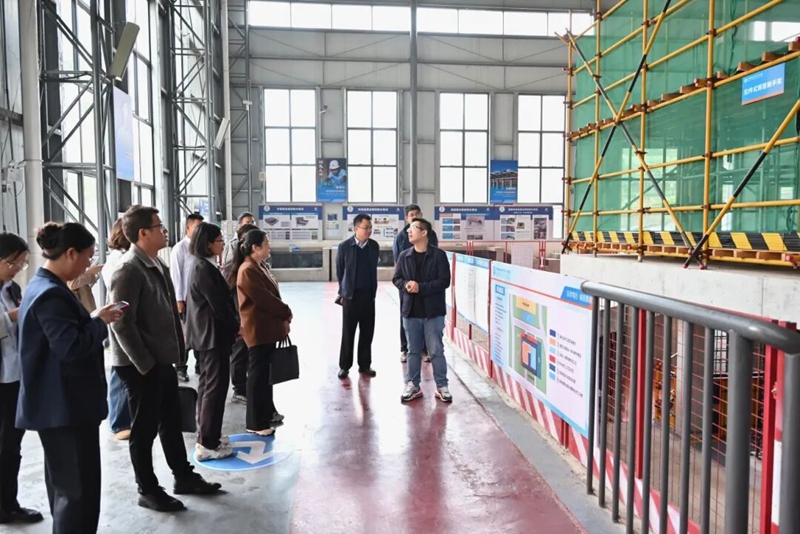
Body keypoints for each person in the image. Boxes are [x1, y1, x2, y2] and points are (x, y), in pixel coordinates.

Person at [110, 206, 220, 513]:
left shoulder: (155, 263)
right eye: (159, 226)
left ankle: (183, 476)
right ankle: (147, 489)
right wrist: (145, 364)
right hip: (139, 365)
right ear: (143, 233)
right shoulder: (128, 269)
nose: (165, 230)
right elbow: (121, 324)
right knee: (143, 430)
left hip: (161, 360)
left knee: (170, 422)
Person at [17, 222, 124, 532]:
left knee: (68, 488)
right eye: (87, 257)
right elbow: (71, 347)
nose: (88, 265)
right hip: (64, 408)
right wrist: (99, 324)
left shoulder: (44, 286)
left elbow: (62, 337)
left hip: (61, 407)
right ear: (71, 253)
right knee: (77, 494)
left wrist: (93, 318)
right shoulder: (50, 295)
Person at [185, 223, 238, 461]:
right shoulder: (203, 268)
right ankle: (208, 442)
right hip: (212, 337)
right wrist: (236, 326)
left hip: (207, 336)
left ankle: (208, 435)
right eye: (219, 240)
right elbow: (220, 305)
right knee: (215, 390)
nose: (223, 244)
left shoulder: (202, 265)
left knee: (208, 386)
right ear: (207, 244)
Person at [0, 233, 42, 526]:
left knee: (11, 445)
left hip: (15, 376)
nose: (17, 269)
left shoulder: (11, 288)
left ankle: (8, 502)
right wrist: (16, 315)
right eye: (13, 263)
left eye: (22, 264)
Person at [232, 230, 292, 436]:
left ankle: (266, 413)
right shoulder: (247, 270)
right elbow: (264, 299)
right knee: (257, 375)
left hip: (267, 328)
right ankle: (255, 422)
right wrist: (286, 312)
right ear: (255, 248)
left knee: (265, 373)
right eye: (266, 243)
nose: (269, 246)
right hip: (257, 329)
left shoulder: (260, 266)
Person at [393, 218, 452, 403]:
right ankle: (413, 385)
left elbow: (444, 281)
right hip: (410, 311)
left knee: (436, 350)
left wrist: (421, 287)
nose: (409, 231)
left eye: (413, 228)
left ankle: (442, 386)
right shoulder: (404, 256)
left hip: (433, 312)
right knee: (413, 351)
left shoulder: (439, 256)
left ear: (424, 232)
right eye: (409, 229)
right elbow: (396, 278)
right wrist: (405, 284)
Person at [392, 204, 439, 363]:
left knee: (426, 315)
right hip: (407, 285)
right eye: (411, 215)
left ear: (421, 215)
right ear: (406, 218)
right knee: (406, 314)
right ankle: (405, 348)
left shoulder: (431, 234)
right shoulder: (401, 237)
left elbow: (435, 257)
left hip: (425, 284)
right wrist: (406, 283)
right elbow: (398, 262)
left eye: (416, 214)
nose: (414, 217)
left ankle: (424, 349)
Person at [335, 213, 379, 379]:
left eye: (370, 228)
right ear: (356, 228)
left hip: (368, 296)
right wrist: (344, 289)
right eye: (365, 227)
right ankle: (344, 366)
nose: (369, 231)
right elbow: (340, 270)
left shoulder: (373, 246)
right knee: (348, 332)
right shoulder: (345, 246)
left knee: (367, 332)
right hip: (351, 297)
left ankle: (365, 365)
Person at [101, 219, 132, 441]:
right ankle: (119, 423)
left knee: (122, 372)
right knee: (120, 371)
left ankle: (122, 420)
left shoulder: (122, 257)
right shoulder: (119, 260)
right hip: (119, 320)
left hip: (121, 319)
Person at [225, 222, 259, 404]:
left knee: (248, 352)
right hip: (240, 316)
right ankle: (239, 388)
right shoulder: (237, 266)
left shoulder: (254, 264)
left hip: (249, 317)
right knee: (239, 351)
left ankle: (245, 386)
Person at [169, 212, 204, 381]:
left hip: (200, 298)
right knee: (184, 334)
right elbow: (176, 275)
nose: (199, 231)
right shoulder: (180, 248)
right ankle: (181, 368)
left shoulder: (201, 247)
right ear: (188, 228)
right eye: (196, 227)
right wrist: (178, 300)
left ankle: (200, 365)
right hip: (185, 299)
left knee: (200, 332)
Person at [221, 212, 255, 281]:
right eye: (248, 222)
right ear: (239, 225)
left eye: (252, 222)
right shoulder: (232, 244)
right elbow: (228, 266)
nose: (251, 225)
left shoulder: (257, 241)